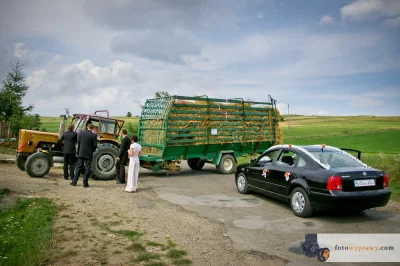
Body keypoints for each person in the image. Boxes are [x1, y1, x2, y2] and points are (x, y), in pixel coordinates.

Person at [71, 123, 97, 187]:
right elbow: (94, 146)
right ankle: (85, 183)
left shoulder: (81, 134)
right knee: (87, 168)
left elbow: (79, 144)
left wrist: (78, 152)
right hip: (89, 154)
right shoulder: (94, 135)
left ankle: (74, 182)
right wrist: (92, 150)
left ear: (87, 127)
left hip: (81, 153)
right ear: (93, 128)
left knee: (78, 167)